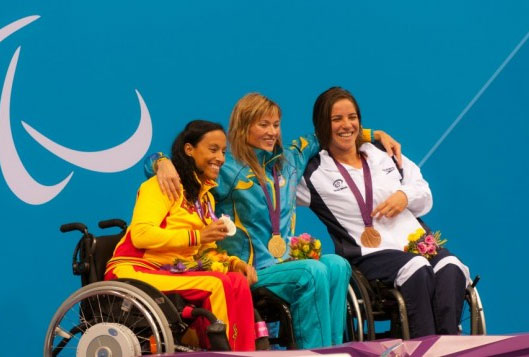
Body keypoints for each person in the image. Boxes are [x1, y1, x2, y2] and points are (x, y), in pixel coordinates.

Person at [146, 93, 400, 348]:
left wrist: (373, 134)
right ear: (243, 127)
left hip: (287, 263)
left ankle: (333, 350)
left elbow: (324, 135)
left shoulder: (290, 159)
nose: (272, 132)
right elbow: (180, 163)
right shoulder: (225, 167)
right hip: (252, 271)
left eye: (276, 125)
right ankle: (310, 353)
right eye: (263, 124)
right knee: (312, 271)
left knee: (337, 265)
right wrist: (161, 162)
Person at [296, 86, 470, 338]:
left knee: (451, 266)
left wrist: (405, 195)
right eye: (337, 119)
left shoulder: (383, 153)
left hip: (416, 245)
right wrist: (372, 132)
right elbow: (279, 176)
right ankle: (423, 346)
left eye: (352, 117)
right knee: (416, 268)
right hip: (370, 255)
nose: (347, 125)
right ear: (322, 124)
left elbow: (424, 194)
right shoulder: (313, 173)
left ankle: (446, 344)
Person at [105, 120, 258, 351]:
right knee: (216, 284)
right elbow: (141, 235)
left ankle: (246, 350)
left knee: (235, 279)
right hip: (135, 269)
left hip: (176, 270)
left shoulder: (206, 198)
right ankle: (226, 351)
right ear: (189, 150)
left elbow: (202, 251)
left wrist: (233, 263)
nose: (221, 158)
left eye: (224, 152)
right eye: (213, 149)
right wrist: (197, 236)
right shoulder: (160, 186)